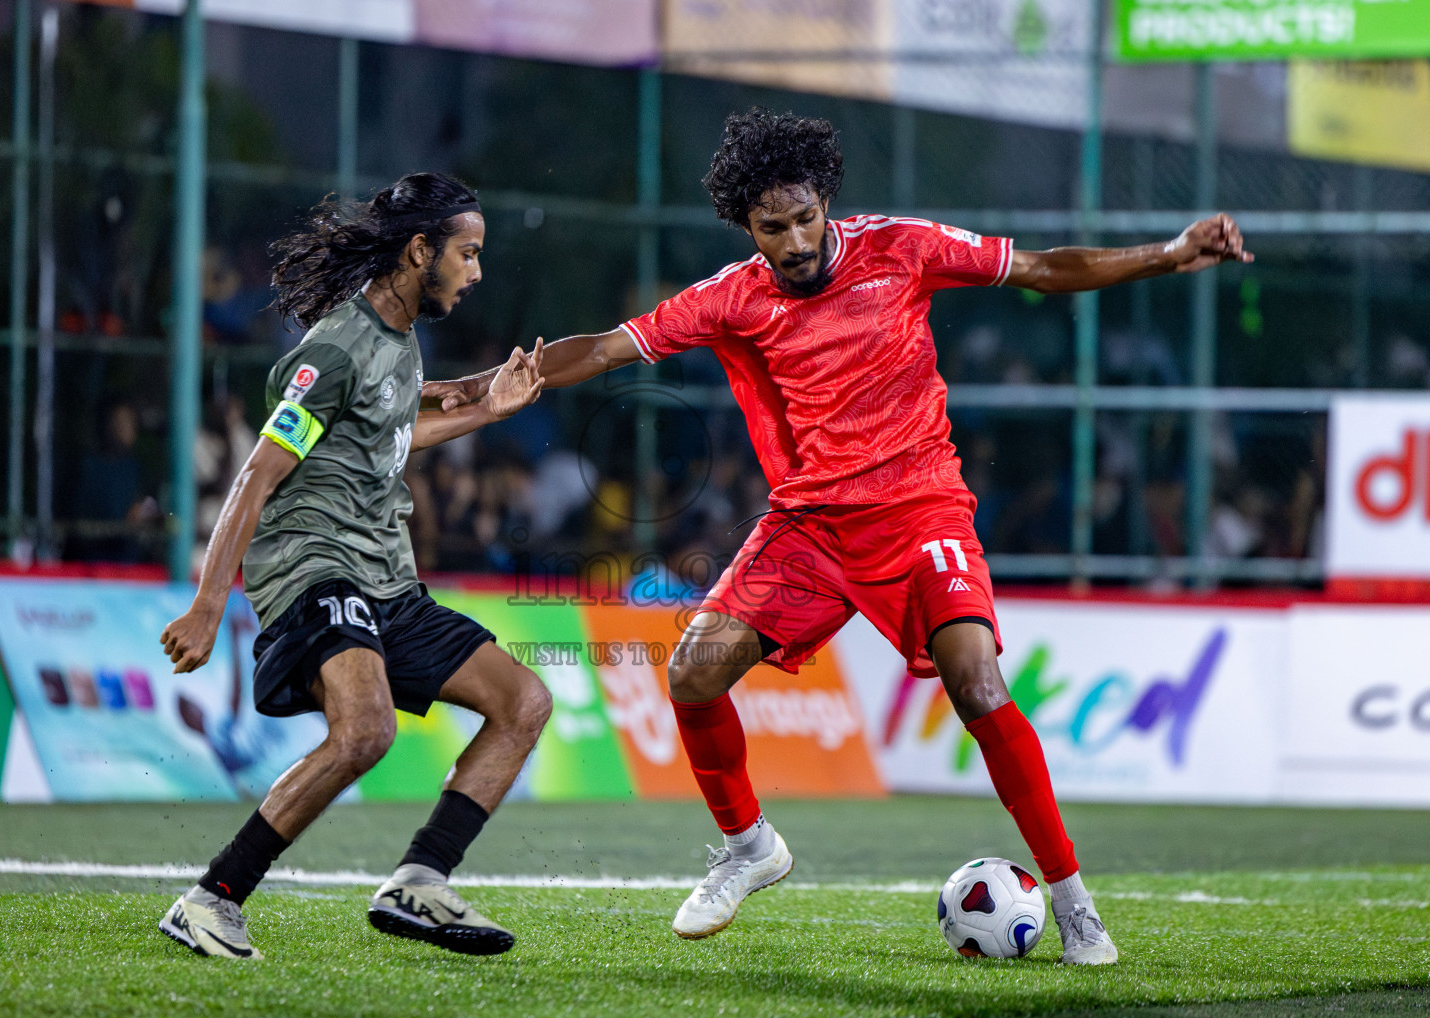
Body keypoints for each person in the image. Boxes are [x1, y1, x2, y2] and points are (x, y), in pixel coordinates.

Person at [433, 110, 1253, 965]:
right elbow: (605, 349)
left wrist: (1166, 253)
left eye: (804, 217)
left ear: (827, 201)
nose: (794, 241)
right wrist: (489, 388)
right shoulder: (731, 296)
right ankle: (750, 847)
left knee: (977, 685)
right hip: (811, 526)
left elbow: (1044, 270)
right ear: (746, 227)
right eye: (771, 226)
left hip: (921, 507)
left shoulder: (902, 248)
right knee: (693, 672)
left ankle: (1075, 903)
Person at [157, 172, 550, 961]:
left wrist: (482, 405)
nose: (476, 272)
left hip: (385, 577)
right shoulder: (334, 349)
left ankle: (421, 878)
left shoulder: (399, 335)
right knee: (365, 731)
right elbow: (256, 475)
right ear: (419, 250)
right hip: (315, 567)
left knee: (524, 702)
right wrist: (209, 605)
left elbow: (391, 431)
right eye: (467, 254)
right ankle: (211, 899)